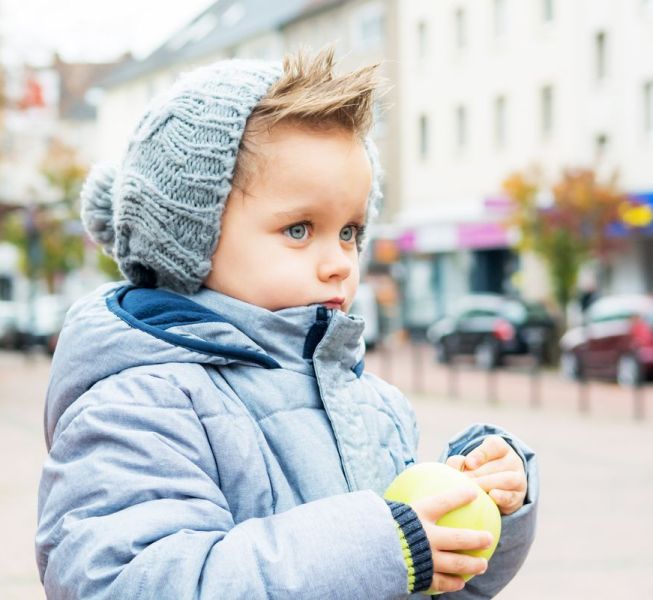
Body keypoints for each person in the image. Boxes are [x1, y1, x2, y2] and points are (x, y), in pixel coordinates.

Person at [35, 49, 538, 599]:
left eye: (349, 231)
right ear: (189, 243)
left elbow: (418, 583)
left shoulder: (372, 404)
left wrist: (478, 512)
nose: (340, 261)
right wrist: (383, 548)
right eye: (300, 229)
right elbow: (129, 583)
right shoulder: (140, 404)